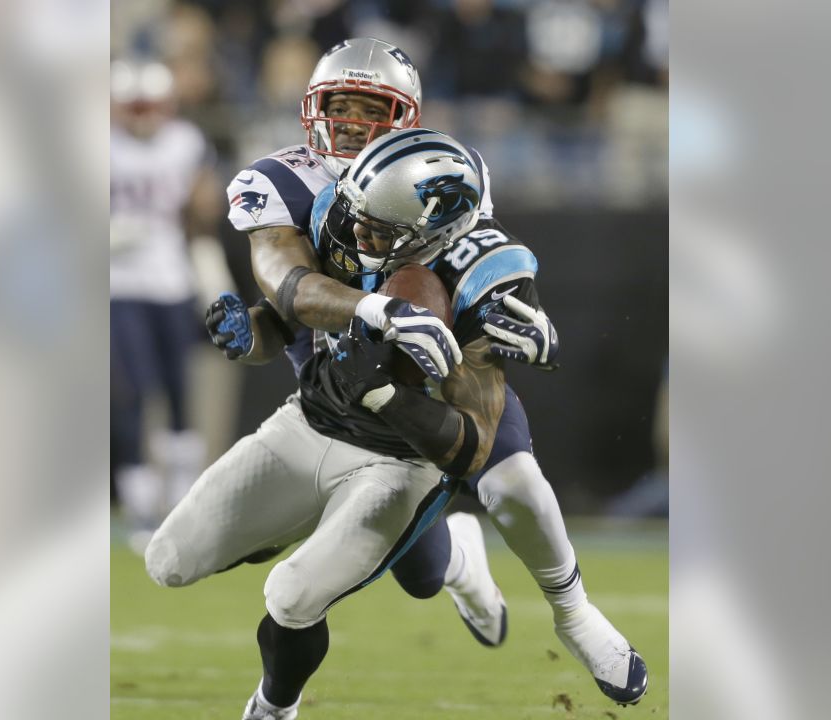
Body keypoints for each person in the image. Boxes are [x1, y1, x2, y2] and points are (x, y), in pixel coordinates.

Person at [211, 38, 648, 708]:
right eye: (340, 105)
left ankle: (575, 613)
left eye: (370, 107)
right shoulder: (276, 178)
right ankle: (459, 560)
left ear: (406, 116)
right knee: (416, 571)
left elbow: (480, 256)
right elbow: (285, 285)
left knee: (516, 480)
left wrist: (518, 309)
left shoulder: (445, 167)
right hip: (340, 373)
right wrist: (308, 323)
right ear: (312, 108)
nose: (352, 122)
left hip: (434, 357)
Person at [145, 133, 510, 720]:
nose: (359, 236)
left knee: (295, 595)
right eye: (358, 218)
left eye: (380, 227)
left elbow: (471, 450)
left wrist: (391, 395)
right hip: (311, 422)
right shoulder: (344, 222)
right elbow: (288, 314)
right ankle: (301, 519)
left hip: (400, 462)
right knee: (168, 560)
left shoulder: (479, 285)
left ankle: (273, 707)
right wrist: (251, 337)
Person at [109, 59, 224, 546]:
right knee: (133, 394)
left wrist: (199, 215)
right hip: (118, 282)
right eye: (135, 107)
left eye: (150, 106)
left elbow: (205, 209)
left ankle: (181, 499)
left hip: (171, 279)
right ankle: (139, 506)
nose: (142, 116)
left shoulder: (186, 143)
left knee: (180, 389)